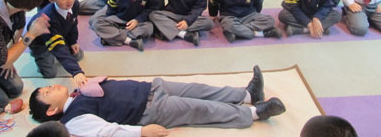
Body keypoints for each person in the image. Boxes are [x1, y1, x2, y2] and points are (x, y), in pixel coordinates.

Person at [28, 66, 286, 136]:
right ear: (51, 111)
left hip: (150, 87)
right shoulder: (73, 122)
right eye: (47, 92)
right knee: (198, 109)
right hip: (148, 110)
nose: (50, 86)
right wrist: (142, 132)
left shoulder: (78, 90)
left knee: (198, 89)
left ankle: (247, 94)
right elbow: (108, 132)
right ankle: (254, 113)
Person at [28, 0, 87, 88]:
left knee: (78, 55)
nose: (70, 0)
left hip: (59, 33)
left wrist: (72, 41)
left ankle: (62, 48)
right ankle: (40, 58)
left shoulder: (74, 4)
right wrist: (76, 71)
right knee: (50, 74)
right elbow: (58, 47)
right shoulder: (47, 20)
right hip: (41, 43)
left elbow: (72, 24)